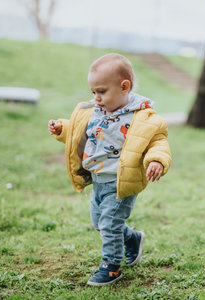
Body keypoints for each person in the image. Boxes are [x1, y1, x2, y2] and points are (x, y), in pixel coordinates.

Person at [48, 53, 172, 286]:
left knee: (109, 224)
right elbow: (80, 132)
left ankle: (112, 267)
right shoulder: (95, 112)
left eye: (101, 92)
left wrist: (156, 160)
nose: (96, 98)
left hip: (120, 182)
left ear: (124, 87)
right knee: (99, 223)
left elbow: (158, 141)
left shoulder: (143, 117)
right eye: (93, 92)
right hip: (98, 180)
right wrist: (61, 129)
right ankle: (132, 238)